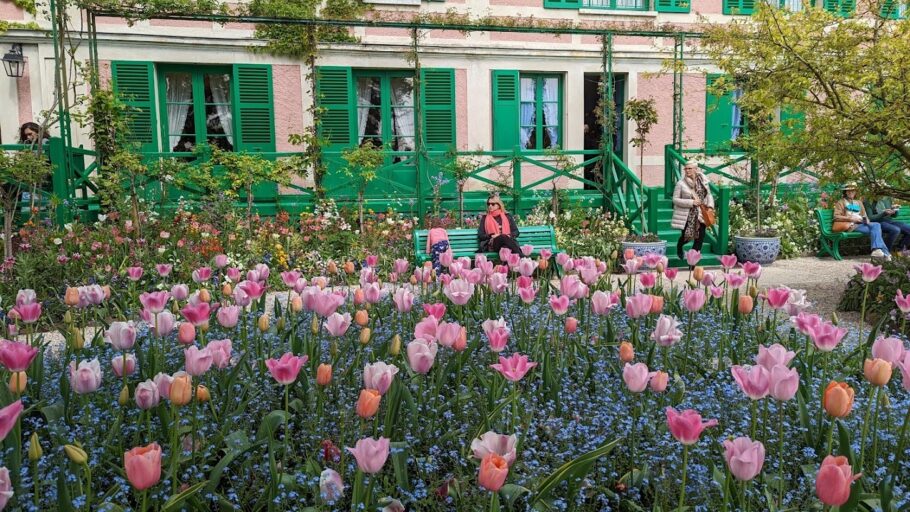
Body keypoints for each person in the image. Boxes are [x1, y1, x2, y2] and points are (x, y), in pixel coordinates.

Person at [834, 182, 891, 260]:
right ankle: (885, 253)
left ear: (855, 192)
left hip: (862, 223)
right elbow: (836, 216)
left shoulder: (859, 202)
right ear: (845, 192)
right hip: (852, 225)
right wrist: (851, 219)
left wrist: (866, 220)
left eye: (853, 191)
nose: (851, 192)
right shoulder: (841, 202)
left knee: (876, 225)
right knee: (875, 231)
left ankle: (876, 251)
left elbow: (864, 215)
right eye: (848, 191)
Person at [671, 162, 715, 262]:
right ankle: (679, 246)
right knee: (687, 236)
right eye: (685, 169)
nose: (687, 171)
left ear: (696, 169)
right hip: (687, 215)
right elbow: (675, 200)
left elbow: (709, 195)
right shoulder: (680, 183)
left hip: (701, 213)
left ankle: (693, 261)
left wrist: (710, 206)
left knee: (700, 238)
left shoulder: (703, 181)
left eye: (690, 168)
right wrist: (692, 202)